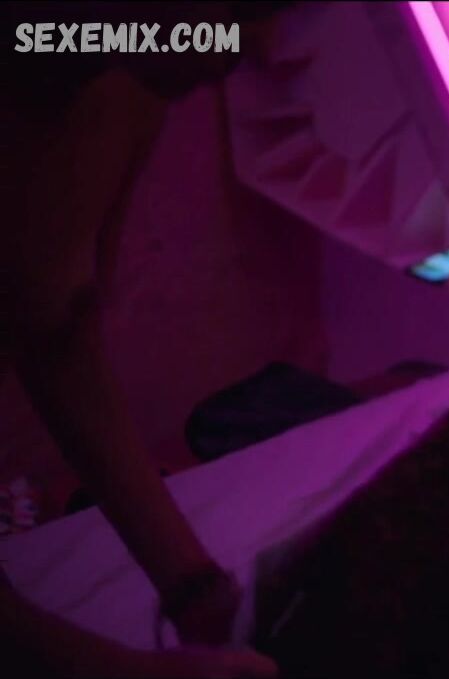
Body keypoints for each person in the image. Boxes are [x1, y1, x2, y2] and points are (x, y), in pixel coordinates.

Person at [0, 3, 287, 676]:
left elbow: (57, 327)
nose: (261, 44)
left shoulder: (124, 71)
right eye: (245, 8)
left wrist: (196, 590)